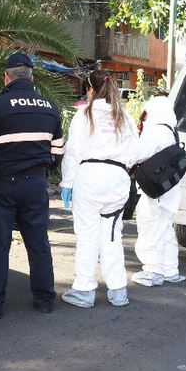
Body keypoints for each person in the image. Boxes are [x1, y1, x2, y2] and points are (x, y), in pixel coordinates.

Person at [0, 52, 64, 318]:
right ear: (32, 77)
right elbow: (57, 153)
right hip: (36, 184)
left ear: (6, 77)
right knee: (38, 242)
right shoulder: (50, 108)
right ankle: (45, 300)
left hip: (3, 184)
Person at [60, 70, 139, 308]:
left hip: (89, 179)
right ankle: (118, 291)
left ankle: (84, 291)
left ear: (90, 90)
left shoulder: (84, 114)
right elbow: (135, 152)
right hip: (117, 180)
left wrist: (67, 183)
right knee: (113, 236)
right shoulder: (123, 116)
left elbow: (73, 152)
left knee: (87, 237)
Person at [131, 96, 184, 287]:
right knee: (165, 230)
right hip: (169, 190)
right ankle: (171, 270)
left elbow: (136, 155)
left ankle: (152, 271)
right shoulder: (172, 131)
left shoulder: (155, 131)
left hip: (156, 192)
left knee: (149, 227)